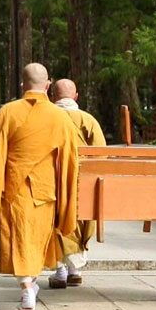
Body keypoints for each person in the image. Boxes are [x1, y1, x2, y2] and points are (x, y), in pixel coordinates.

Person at [0, 63, 81, 310]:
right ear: (47, 86)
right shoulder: (60, 118)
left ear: (22, 85)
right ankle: (29, 286)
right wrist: (66, 199)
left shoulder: (6, 114)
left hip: (14, 191)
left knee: (18, 242)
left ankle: (27, 288)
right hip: (46, 193)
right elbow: (70, 163)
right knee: (36, 242)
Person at [48, 78, 105, 289]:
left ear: (53, 96)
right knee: (79, 222)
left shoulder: (48, 118)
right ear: (76, 96)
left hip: (54, 181)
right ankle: (74, 270)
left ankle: (61, 271)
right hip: (83, 183)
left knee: (56, 222)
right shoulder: (88, 120)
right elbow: (101, 153)